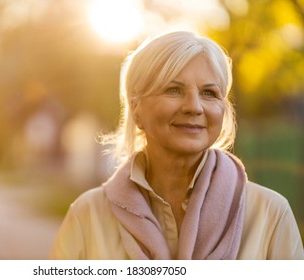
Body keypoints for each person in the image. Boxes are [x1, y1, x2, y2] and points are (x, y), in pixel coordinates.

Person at [49, 31, 304, 260]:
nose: (194, 106)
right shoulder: (88, 215)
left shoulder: (270, 213)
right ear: (136, 110)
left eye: (209, 93)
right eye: (173, 89)